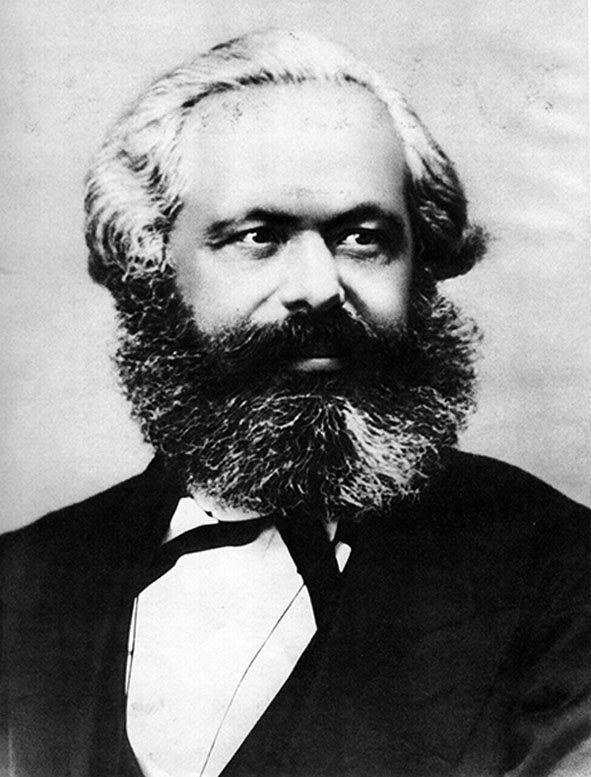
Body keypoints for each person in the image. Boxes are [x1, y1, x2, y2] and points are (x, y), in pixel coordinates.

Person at [1, 28, 590, 777]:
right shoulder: (23, 581)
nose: (317, 287)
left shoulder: (560, 572)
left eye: (362, 237)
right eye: (258, 236)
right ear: (152, 263)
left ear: (421, 262)